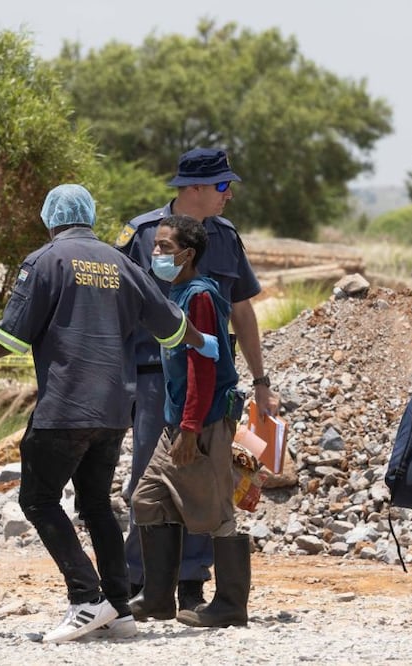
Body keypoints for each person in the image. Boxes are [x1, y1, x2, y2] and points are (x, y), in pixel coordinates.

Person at [0, 184, 220, 643]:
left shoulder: (44, 261)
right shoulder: (122, 262)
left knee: (37, 500)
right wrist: (205, 342)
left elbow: (11, 340)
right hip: (114, 410)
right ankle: (119, 608)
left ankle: (86, 598)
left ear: (50, 217)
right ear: (89, 214)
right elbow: (173, 327)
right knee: (97, 504)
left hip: (65, 406)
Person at [115, 147, 278, 609]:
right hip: (152, 378)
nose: (229, 195)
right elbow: (116, 306)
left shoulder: (226, 237)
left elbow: (243, 310)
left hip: (208, 380)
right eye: (223, 186)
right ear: (193, 189)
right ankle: (142, 579)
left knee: (207, 479)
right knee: (149, 480)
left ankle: (192, 583)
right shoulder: (143, 234)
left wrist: (262, 380)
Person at [129, 214, 250, 628]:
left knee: (217, 511)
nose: (156, 252)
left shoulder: (198, 296)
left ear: (188, 254)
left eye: (165, 246)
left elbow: (203, 366)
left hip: (203, 421)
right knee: (147, 499)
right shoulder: (174, 293)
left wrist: (190, 427)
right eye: (156, 245)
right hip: (176, 420)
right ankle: (159, 599)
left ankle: (231, 604)